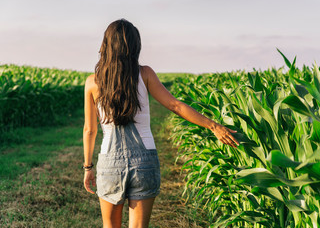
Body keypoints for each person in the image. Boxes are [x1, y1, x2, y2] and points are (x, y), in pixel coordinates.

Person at [83, 19, 239, 228]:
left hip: (110, 165)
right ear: (134, 46)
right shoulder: (145, 74)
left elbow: (90, 130)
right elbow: (175, 105)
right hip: (144, 163)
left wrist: (88, 167)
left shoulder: (93, 82)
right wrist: (214, 126)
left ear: (106, 45)